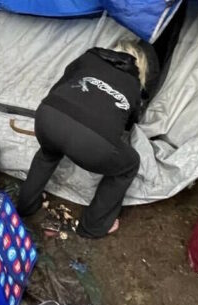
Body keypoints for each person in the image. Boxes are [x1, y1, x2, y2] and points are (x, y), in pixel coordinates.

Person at [17, 40, 159, 239]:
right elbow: (129, 123)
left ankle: (25, 205)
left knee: (48, 153)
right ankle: (94, 225)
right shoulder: (135, 85)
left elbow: (60, 85)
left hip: (48, 116)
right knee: (129, 165)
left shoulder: (89, 57)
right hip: (92, 140)